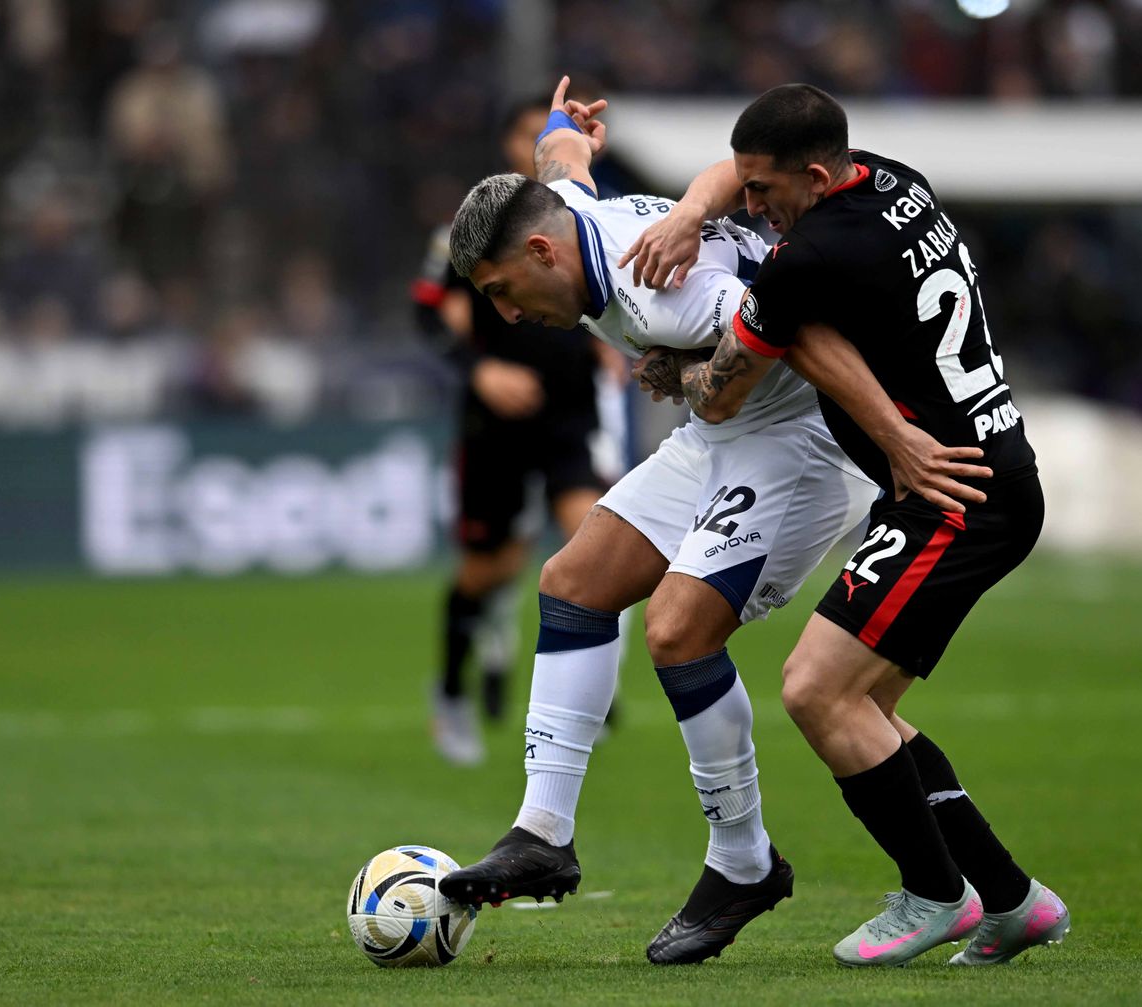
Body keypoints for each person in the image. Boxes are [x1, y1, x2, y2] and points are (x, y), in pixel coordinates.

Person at [436, 78, 887, 964]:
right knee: (572, 581)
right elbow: (557, 163)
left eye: (501, 290)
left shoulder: (658, 293)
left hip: (799, 442)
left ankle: (742, 861)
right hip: (723, 435)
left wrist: (893, 440)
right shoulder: (566, 210)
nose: (507, 314)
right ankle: (543, 833)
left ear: (539, 249)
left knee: (678, 631)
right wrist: (569, 129)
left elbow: (794, 332)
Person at [621, 83, 1070, 967]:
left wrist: (677, 372)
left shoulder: (805, 261)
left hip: (951, 493)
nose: (752, 208)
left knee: (816, 691)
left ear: (817, 176)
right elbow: (819, 325)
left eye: (763, 192)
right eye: (744, 188)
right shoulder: (895, 182)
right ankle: (1015, 900)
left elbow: (722, 396)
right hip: (988, 471)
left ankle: (936, 893)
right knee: (867, 711)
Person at [413, 95, 620, 766]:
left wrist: (617, 343)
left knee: (596, 544)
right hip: (494, 422)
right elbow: (428, 321)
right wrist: (480, 374)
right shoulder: (465, 237)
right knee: (489, 568)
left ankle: (581, 700)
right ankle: (450, 690)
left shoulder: (586, 217)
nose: (541, 146)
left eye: (548, 135)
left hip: (570, 412)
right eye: (529, 135)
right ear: (507, 146)